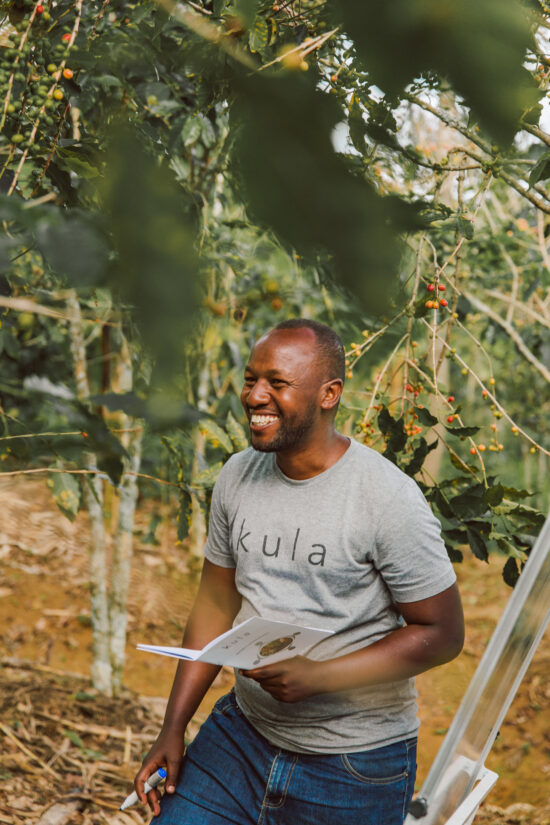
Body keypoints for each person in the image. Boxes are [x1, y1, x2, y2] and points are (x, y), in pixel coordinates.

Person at [134, 319, 464, 825]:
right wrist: (172, 727)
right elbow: (216, 604)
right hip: (241, 739)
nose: (255, 396)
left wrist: (320, 677)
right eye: (250, 379)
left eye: (277, 383)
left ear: (329, 394)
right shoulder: (237, 475)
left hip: (353, 764)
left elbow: (443, 634)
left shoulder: (386, 499)